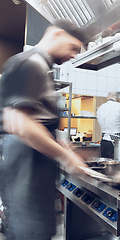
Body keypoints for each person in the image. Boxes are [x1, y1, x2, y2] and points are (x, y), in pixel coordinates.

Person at [0, 19, 90, 240]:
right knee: (30, 232)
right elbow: (18, 122)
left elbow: (36, 120)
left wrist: (60, 144)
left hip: (33, 168)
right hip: (24, 167)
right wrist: (66, 156)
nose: (74, 55)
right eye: (73, 48)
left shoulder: (43, 68)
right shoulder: (30, 63)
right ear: (57, 34)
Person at [96, 91, 120, 158]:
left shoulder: (101, 107)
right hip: (116, 143)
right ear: (118, 99)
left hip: (104, 142)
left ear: (107, 98)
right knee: (116, 166)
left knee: (104, 165)